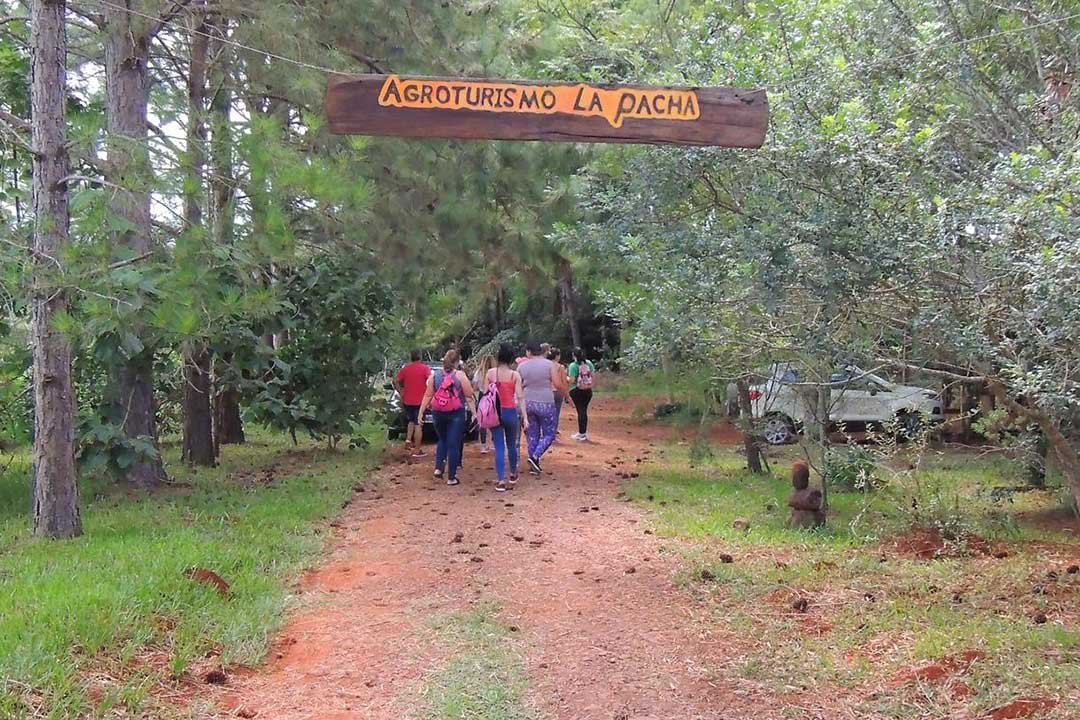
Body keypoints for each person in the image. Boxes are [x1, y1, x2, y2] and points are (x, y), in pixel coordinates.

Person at [417, 349, 475, 485]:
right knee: (453, 443)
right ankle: (452, 477)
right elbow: (469, 395)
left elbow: (427, 395)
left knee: (442, 439)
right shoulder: (460, 376)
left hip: (438, 412)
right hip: (456, 412)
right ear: (456, 362)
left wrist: (421, 412)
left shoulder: (435, 376)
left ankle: (438, 468)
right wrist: (474, 413)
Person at [518, 340, 567, 474]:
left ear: (528, 351)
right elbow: (557, 383)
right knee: (549, 433)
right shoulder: (549, 365)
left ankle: (534, 463)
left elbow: (517, 385)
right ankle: (535, 456)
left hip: (527, 402)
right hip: (545, 401)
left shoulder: (522, 367)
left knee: (532, 434)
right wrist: (566, 395)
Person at [485, 343, 528, 492]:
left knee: (499, 446)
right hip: (510, 411)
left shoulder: (490, 374)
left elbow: (486, 394)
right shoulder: (514, 375)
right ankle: (513, 473)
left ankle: (500, 479)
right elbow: (520, 397)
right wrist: (525, 417)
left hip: (495, 412)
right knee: (512, 444)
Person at [394, 349, 431, 457]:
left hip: (407, 400)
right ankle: (417, 449)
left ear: (411, 357)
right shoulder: (424, 368)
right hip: (420, 400)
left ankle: (408, 440)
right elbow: (430, 380)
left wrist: (401, 392)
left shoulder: (405, 369)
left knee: (411, 420)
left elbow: (396, 380)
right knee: (418, 424)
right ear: (420, 357)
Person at [568, 347, 597, 441]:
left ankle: (582, 433)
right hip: (588, 391)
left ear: (574, 355)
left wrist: (566, 379)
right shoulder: (589, 363)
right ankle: (583, 432)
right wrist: (591, 385)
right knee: (583, 410)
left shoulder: (573, 365)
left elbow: (572, 380)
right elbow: (593, 376)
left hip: (576, 390)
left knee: (581, 411)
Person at [472, 355, 498, 454]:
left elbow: (474, 387)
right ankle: (493, 443)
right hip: (494, 396)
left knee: (482, 420)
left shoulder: (479, 373)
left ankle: (483, 445)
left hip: (482, 396)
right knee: (494, 419)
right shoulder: (495, 372)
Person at [547, 347, 568, 436]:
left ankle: (546, 431)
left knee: (547, 412)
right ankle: (553, 432)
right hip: (558, 392)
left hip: (547, 392)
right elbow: (564, 382)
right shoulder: (561, 367)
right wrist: (566, 395)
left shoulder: (546, 365)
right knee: (556, 413)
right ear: (557, 356)